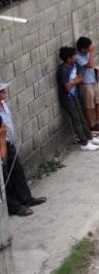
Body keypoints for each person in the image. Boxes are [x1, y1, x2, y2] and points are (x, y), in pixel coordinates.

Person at [0, 81, 48, 216]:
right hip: (1, 146)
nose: (5, 93)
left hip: (9, 144)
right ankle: (14, 207)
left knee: (17, 172)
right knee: (5, 177)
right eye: (2, 92)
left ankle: (25, 199)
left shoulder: (4, 105)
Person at [57, 47, 99, 151]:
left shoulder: (73, 65)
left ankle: (89, 137)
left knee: (81, 117)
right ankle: (83, 142)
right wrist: (75, 81)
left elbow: (80, 78)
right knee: (76, 119)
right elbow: (67, 87)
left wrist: (74, 81)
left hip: (74, 95)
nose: (75, 57)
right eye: (73, 56)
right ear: (68, 59)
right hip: (67, 98)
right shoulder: (63, 70)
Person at [74, 37, 99, 131]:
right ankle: (92, 124)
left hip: (93, 81)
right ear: (83, 49)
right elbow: (89, 65)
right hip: (85, 84)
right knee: (88, 105)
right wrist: (91, 52)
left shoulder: (87, 54)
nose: (91, 49)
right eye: (88, 48)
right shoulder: (78, 57)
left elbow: (93, 64)